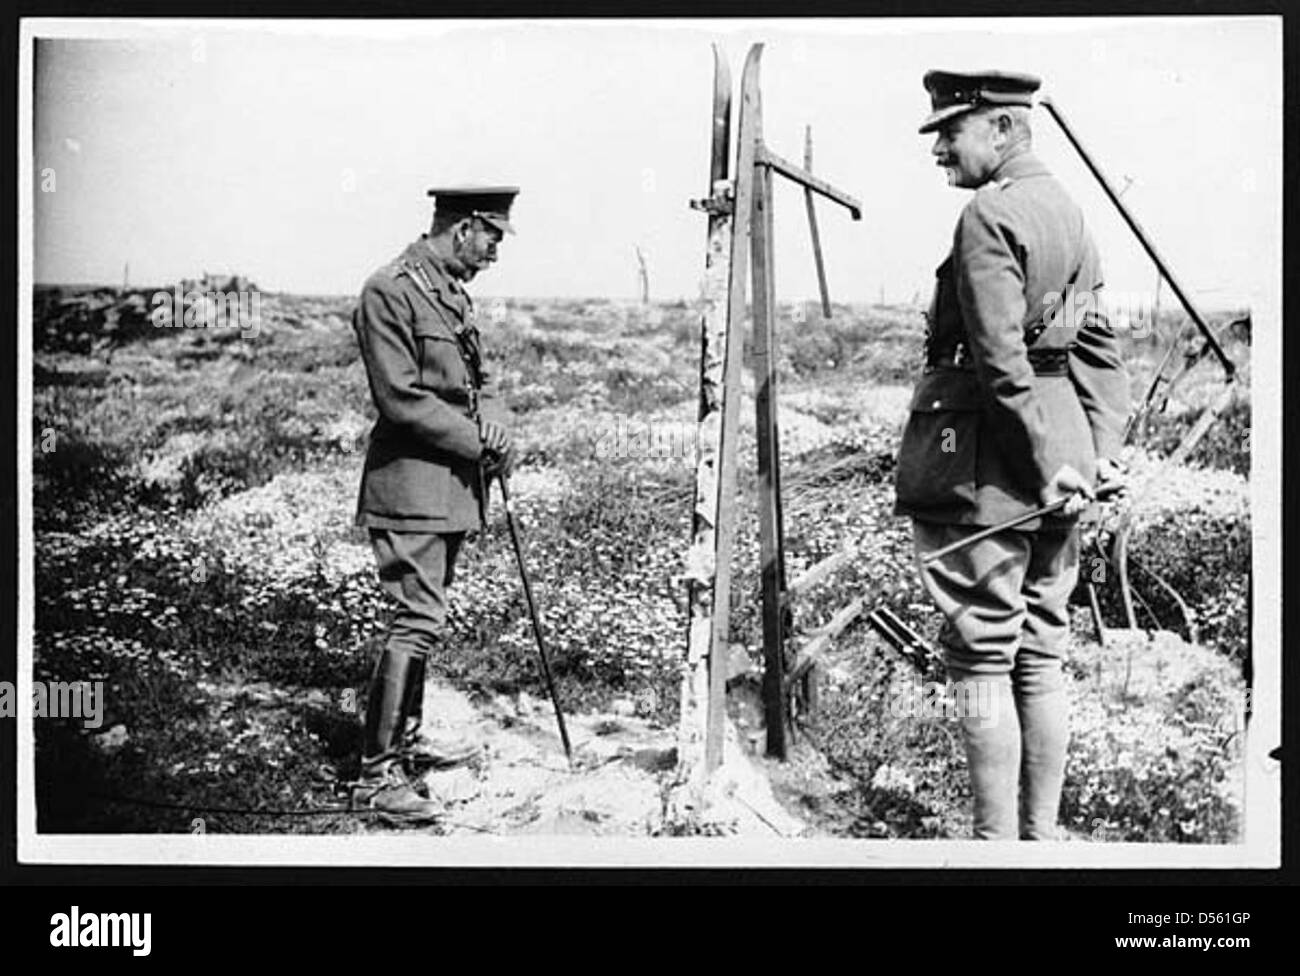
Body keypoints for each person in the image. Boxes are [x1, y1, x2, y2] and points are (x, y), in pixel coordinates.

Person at [894, 71, 1129, 840]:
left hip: (991, 471)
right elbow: (1098, 348)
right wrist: (1098, 455)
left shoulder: (988, 215)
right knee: (1042, 651)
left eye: (949, 133)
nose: (939, 152)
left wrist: (1041, 465)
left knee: (982, 657)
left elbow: (998, 360)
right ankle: (1041, 843)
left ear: (1000, 129)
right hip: (1063, 465)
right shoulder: (1069, 212)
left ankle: (995, 850)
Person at [348, 186, 518, 824]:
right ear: (467, 227)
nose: (495, 252)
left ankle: (406, 744)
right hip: (410, 487)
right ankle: (376, 777)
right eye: (493, 237)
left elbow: (480, 381)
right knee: (414, 620)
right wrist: (477, 441)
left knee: (426, 620)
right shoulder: (388, 289)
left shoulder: (446, 290)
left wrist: (497, 427)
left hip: (448, 488)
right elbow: (401, 400)